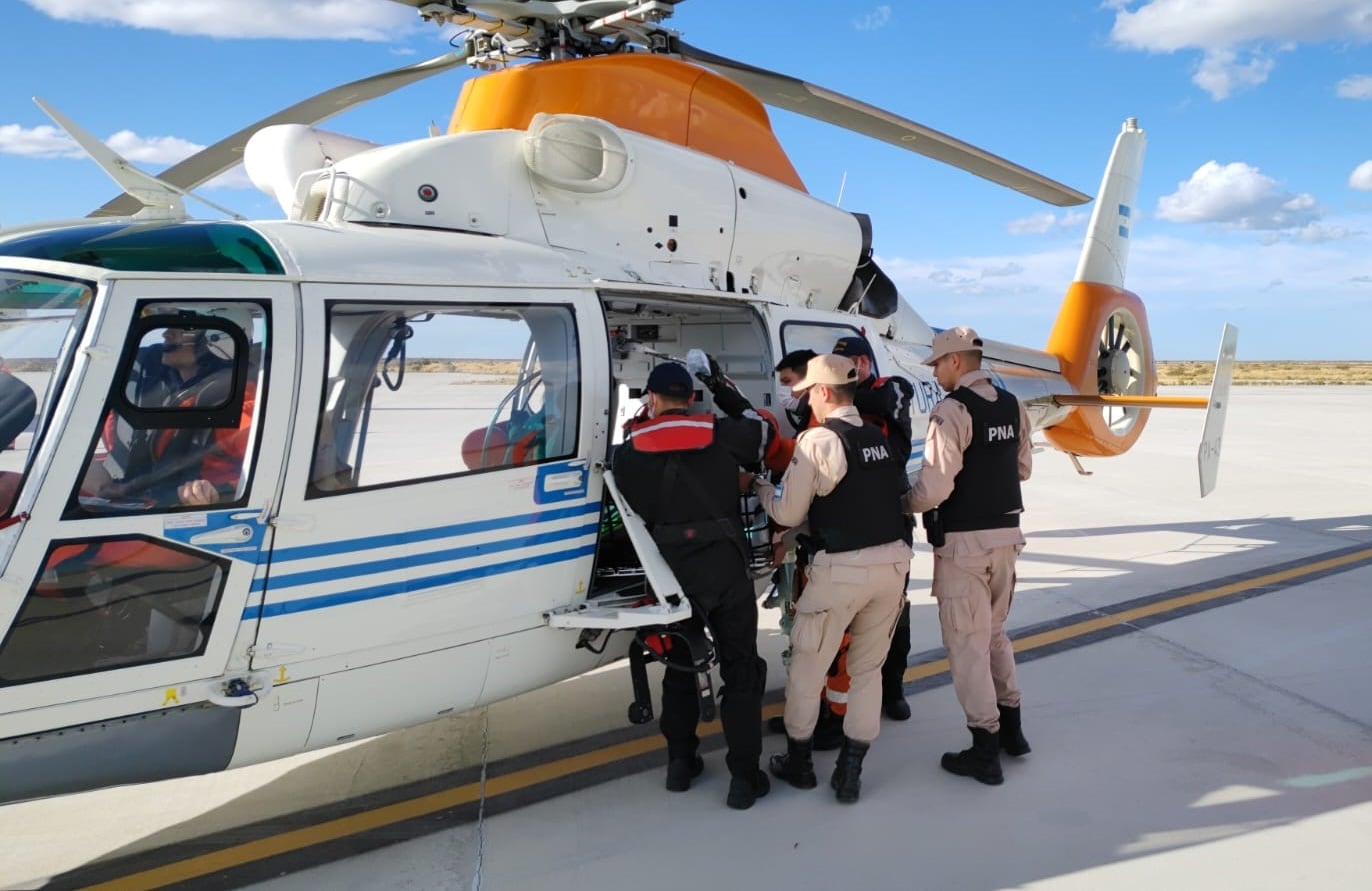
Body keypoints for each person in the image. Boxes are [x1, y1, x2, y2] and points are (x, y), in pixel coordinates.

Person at [613, 356, 774, 810]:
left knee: (681, 667)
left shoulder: (628, 452)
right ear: (691, 397)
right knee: (741, 669)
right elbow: (762, 429)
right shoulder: (719, 435)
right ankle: (745, 778)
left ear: (652, 399)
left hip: (671, 579)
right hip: (725, 570)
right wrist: (719, 383)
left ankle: (680, 765)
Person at [755, 354, 913, 804]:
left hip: (841, 570)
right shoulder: (876, 437)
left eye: (807, 393)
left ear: (823, 392)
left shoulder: (817, 441)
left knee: (808, 666)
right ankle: (850, 771)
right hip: (892, 568)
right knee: (866, 672)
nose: (805, 402)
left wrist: (759, 487)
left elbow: (788, 511)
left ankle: (800, 763)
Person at [907, 326, 1033, 786]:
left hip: (964, 544)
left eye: (938, 364)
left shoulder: (952, 410)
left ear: (956, 361)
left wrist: (902, 503)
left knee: (967, 647)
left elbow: (935, 486)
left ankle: (984, 748)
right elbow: (1023, 467)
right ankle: (1013, 731)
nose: (936, 373)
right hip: (1007, 537)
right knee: (996, 635)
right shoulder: (1012, 404)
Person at [831, 334, 917, 722]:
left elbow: (891, 400)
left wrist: (838, 394)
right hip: (849, 517)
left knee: (895, 609)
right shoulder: (836, 403)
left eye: (848, 365)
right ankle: (842, 693)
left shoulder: (892, 388)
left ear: (864, 364)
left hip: (891, 516)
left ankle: (893, 686)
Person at [87, 325, 254, 508]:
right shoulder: (172, 392)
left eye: (182, 329)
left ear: (218, 339)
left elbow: (267, 470)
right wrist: (123, 488)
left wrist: (216, 491)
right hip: (148, 498)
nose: (166, 334)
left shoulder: (239, 402)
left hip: (199, 512)